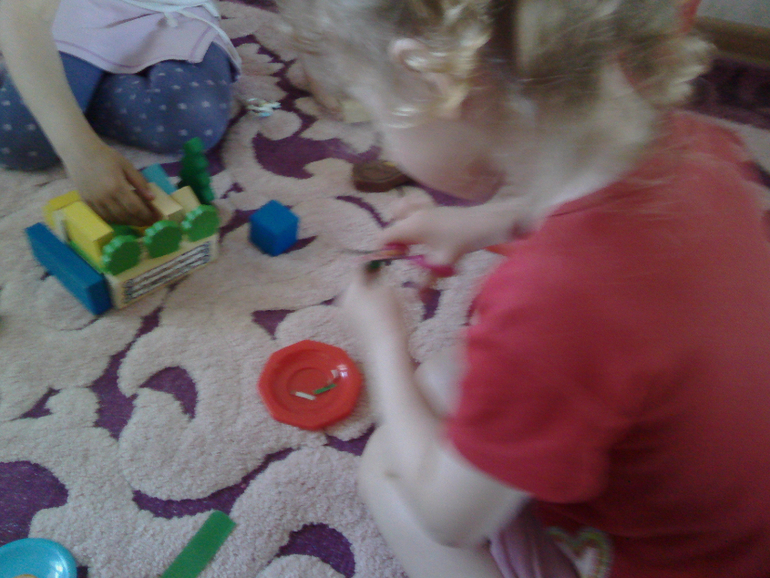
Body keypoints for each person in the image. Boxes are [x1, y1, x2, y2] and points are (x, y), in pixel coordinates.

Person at [280, 0, 770, 577]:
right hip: (735, 510)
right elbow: (609, 214)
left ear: (433, 79)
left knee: (390, 471)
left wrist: (384, 343)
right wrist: (483, 224)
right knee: (448, 379)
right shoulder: (702, 146)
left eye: (378, 115)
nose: (385, 145)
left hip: (678, 563)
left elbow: (449, 519)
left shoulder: (555, 304)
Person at [0, 0, 241, 224]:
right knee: (18, 139)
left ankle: (69, 89)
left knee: (194, 118)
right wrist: (81, 152)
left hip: (173, 12)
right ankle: (59, 85)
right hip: (77, 8)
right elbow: (21, 12)